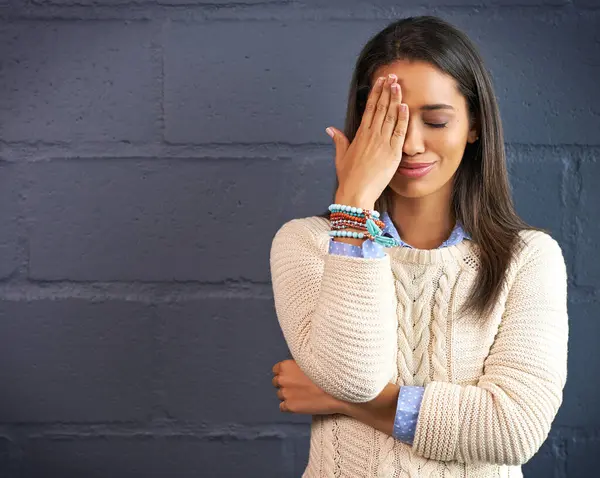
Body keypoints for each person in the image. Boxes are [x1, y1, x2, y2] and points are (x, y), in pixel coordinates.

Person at [269, 15, 568, 478]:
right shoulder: (307, 244)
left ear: (473, 126)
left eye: (435, 120)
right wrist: (353, 206)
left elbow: (513, 429)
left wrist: (344, 402)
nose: (410, 144)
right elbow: (353, 375)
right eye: (390, 120)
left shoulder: (528, 258)